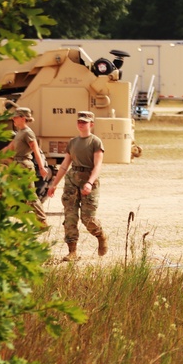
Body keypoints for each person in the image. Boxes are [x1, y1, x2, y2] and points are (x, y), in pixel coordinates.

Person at [47, 111, 108, 261]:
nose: (81, 124)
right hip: (72, 181)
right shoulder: (72, 142)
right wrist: (54, 184)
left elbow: (98, 165)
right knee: (70, 217)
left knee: (87, 218)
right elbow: (64, 165)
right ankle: (72, 252)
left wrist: (89, 182)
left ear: (91, 124)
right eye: (79, 121)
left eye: (85, 122)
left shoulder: (95, 142)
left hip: (88, 181)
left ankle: (101, 236)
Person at [1, 106, 51, 228]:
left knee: (30, 196)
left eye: (16, 117)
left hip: (24, 165)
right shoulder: (19, 133)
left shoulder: (28, 133)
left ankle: (42, 221)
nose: (13, 119)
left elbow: (35, 150)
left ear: (23, 118)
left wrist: (41, 167)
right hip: (17, 165)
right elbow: (9, 148)